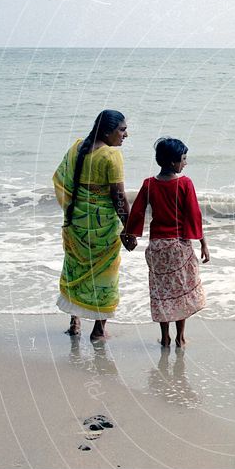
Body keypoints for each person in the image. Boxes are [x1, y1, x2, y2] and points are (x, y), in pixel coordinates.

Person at [53, 109, 135, 341]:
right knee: (106, 274)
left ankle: (74, 320)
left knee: (76, 268)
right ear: (108, 131)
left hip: (77, 221)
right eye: (122, 130)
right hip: (104, 226)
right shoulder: (111, 156)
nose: (125, 135)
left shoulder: (77, 148)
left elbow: (62, 180)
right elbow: (119, 197)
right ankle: (99, 329)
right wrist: (129, 229)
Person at [123, 137, 210, 347]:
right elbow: (194, 215)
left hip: (158, 247)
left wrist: (131, 234)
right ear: (173, 162)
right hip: (179, 246)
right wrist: (203, 242)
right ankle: (180, 337)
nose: (185, 163)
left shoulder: (149, 184)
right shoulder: (185, 183)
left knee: (161, 292)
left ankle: (164, 337)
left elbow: (137, 212)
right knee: (180, 291)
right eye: (183, 158)